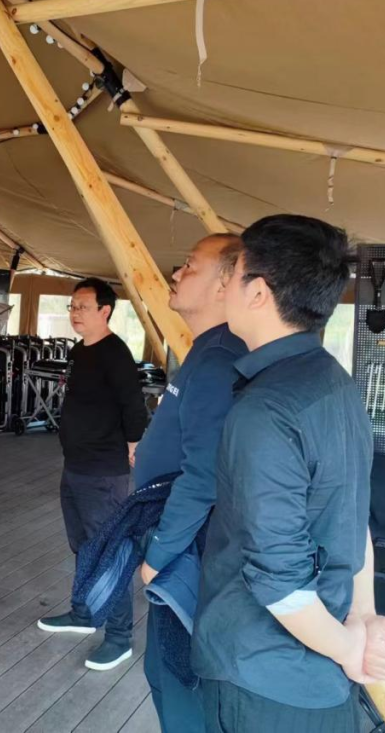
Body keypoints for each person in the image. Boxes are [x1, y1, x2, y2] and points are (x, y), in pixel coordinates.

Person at [194, 215, 385, 732]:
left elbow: (279, 582)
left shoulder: (267, 410)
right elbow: (352, 518)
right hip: (316, 675)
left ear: (258, 292)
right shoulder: (336, 385)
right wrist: (360, 617)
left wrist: (351, 649)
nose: (224, 288)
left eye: (234, 274)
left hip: (263, 677)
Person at [133, 234, 247, 732]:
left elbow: (204, 475)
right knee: (163, 670)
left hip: (188, 547)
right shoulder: (205, 351)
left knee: (176, 678)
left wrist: (159, 554)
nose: (175, 274)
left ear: (225, 284)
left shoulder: (220, 358)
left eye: (190, 266)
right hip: (183, 537)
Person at [37, 277, 148, 671]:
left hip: (102, 471)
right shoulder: (80, 350)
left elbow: (134, 406)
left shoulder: (115, 353)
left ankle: (119, 637)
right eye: (72, 307)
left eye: (82, 307)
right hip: (76, 466)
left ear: (105, 311)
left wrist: (134, 444)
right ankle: (84, 612)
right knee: (84, 547)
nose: (75, 313)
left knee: (108, 552)